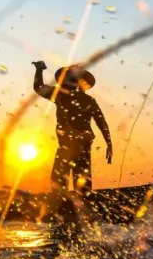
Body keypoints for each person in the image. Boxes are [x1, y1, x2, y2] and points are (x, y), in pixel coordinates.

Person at [31, 60, 112, 195]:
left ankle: (70, 206)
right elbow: (39, 87)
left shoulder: (70, 97)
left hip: (77, 145)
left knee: (71, 182)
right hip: (69, 145)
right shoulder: (62, 95)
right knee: (68, 181)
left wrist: (109, 144)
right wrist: (39, 70)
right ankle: (72, 205)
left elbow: (101, 122)